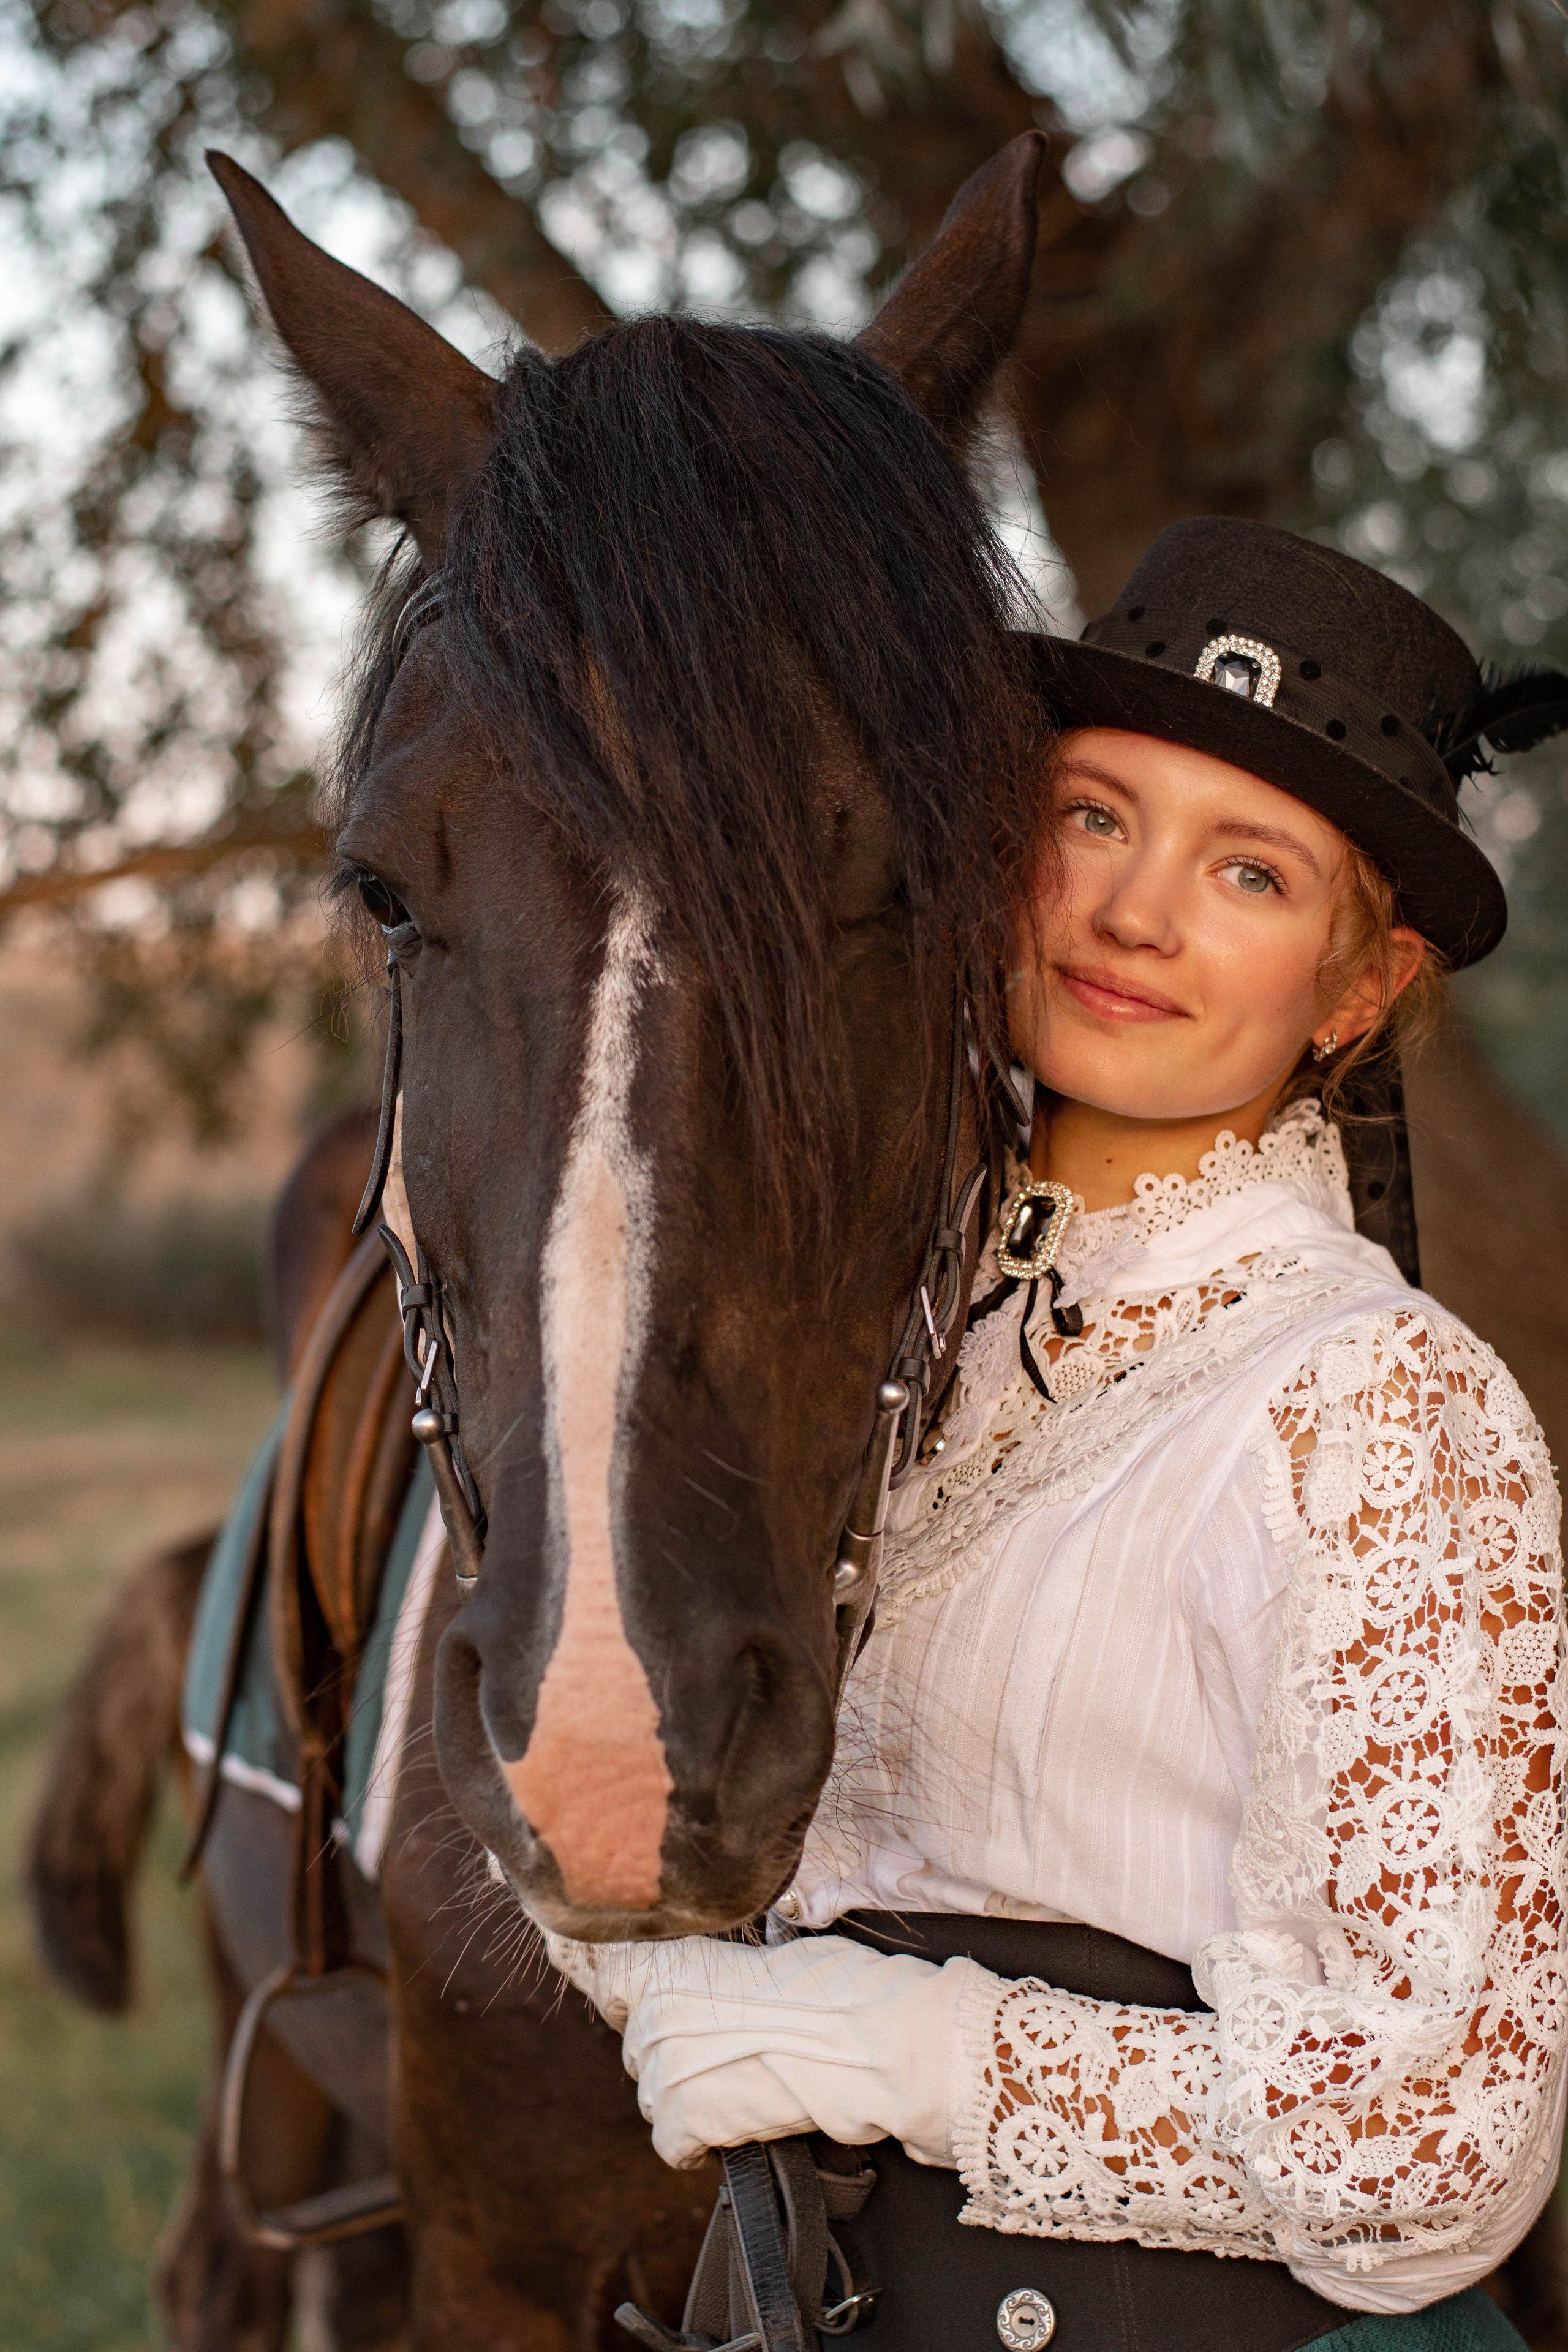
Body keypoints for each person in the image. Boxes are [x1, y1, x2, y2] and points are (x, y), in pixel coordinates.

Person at [551, 518, 1568, 2352]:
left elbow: (1447, 2144)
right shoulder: (861, 1333)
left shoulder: (1378, 1402)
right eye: (1095, 816)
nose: (1134, 912)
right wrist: (666, 1965)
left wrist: (923, 2054)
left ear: (1358, 988)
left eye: (1249, 870)